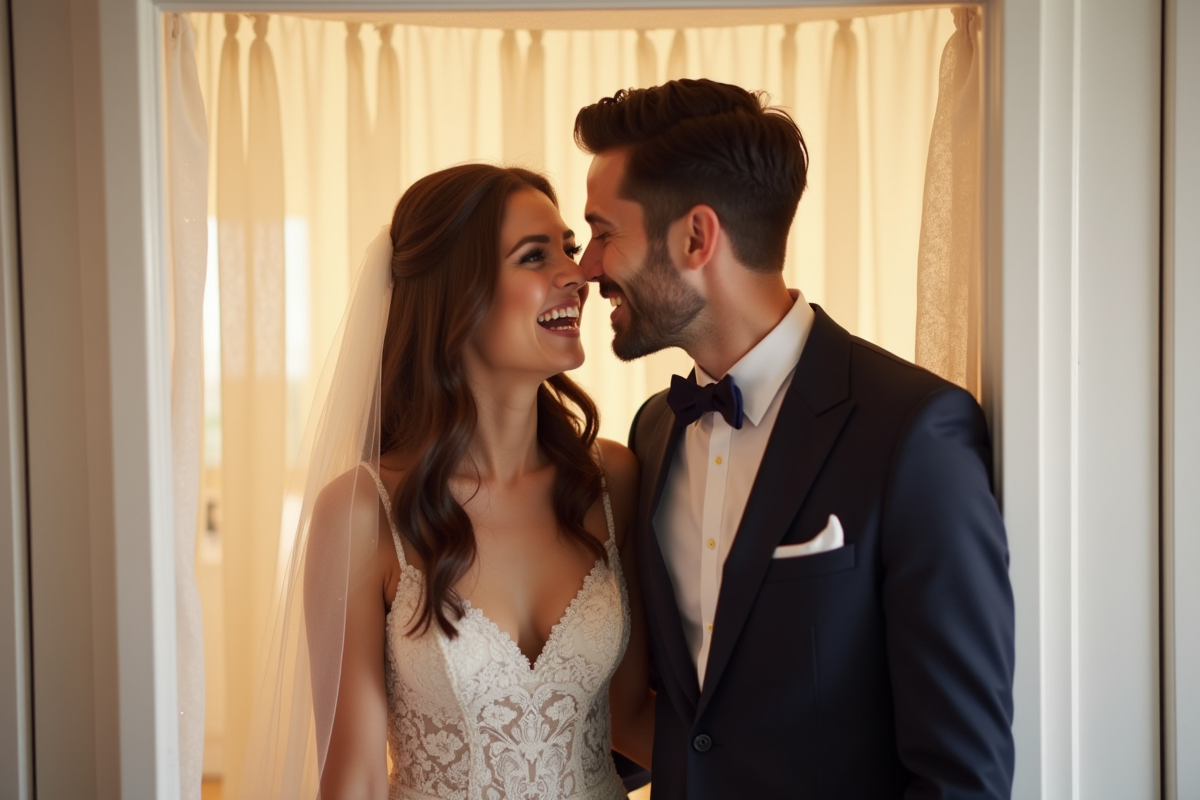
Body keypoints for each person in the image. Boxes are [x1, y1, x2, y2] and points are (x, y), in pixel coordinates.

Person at [573, 78, 1015, 800]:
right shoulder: (654, 431)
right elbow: (684, 720)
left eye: (602, 231)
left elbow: (959, 772)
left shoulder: (914, 432)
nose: (589, 266)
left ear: (695, 237)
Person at [239, 164, 654, 800]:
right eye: (534, 256)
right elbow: (353, 780)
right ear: (457, 296)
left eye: (568, 249)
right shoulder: (361, 513)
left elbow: (630, 720)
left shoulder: (612, 480)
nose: (576, 274)